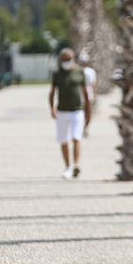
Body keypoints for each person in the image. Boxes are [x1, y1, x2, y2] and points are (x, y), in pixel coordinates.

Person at [49, 48, 91, 179]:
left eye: (68, 59)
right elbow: (52, 92)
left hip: (77, 110)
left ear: (73, 59)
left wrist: (88, 110)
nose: (66, 61)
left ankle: (76, 165)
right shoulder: (57, 73)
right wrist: (52, 108)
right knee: (63, 140)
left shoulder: (79, 72)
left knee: (76, 137)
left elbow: (85, 92)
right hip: (62, 111)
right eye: (64, 59)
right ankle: (67, 166)